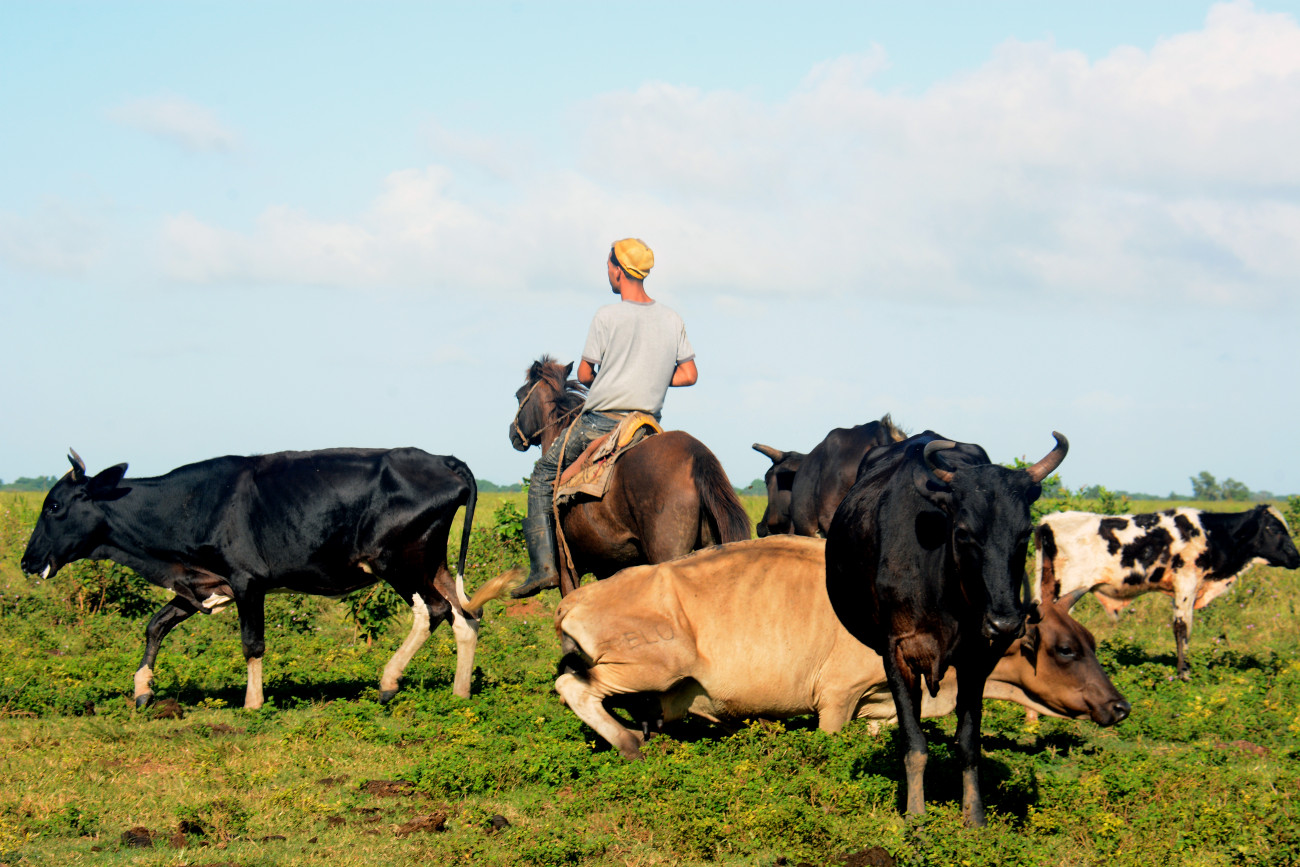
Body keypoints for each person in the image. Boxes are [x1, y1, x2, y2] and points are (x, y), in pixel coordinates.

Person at [512, 238, 698, 598]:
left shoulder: (607, 316)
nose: (608, 272)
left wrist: (613, 380)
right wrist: (650, 378)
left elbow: (584, 374)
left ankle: (543, 569)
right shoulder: (671, 318)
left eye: (609, 265)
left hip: (602, 422)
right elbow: (689, 374)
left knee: (542, 477)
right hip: (646, 425)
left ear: (618, 270)